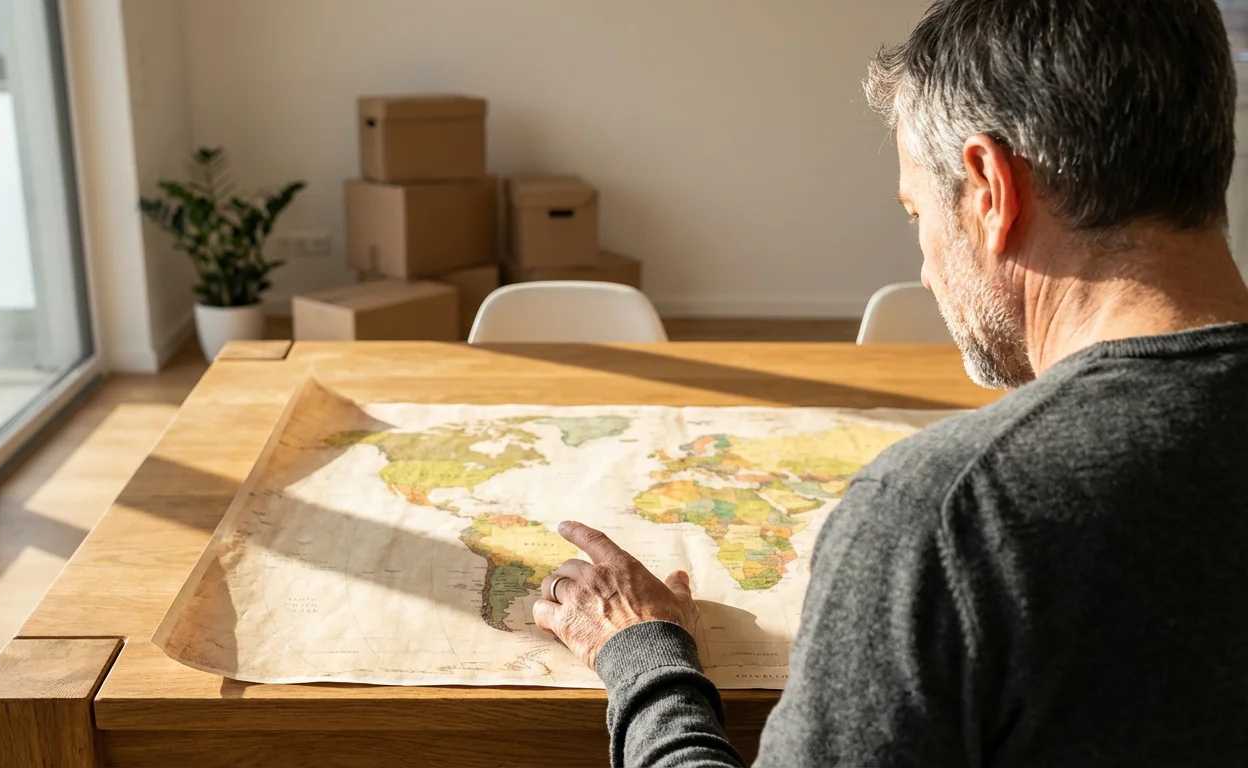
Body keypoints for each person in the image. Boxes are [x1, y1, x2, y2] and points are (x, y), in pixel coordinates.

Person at [530, 0, 1248, 765]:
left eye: (915, 212)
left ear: (991, 189)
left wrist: (643, 657)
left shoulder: (950, 516)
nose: (926, 270)